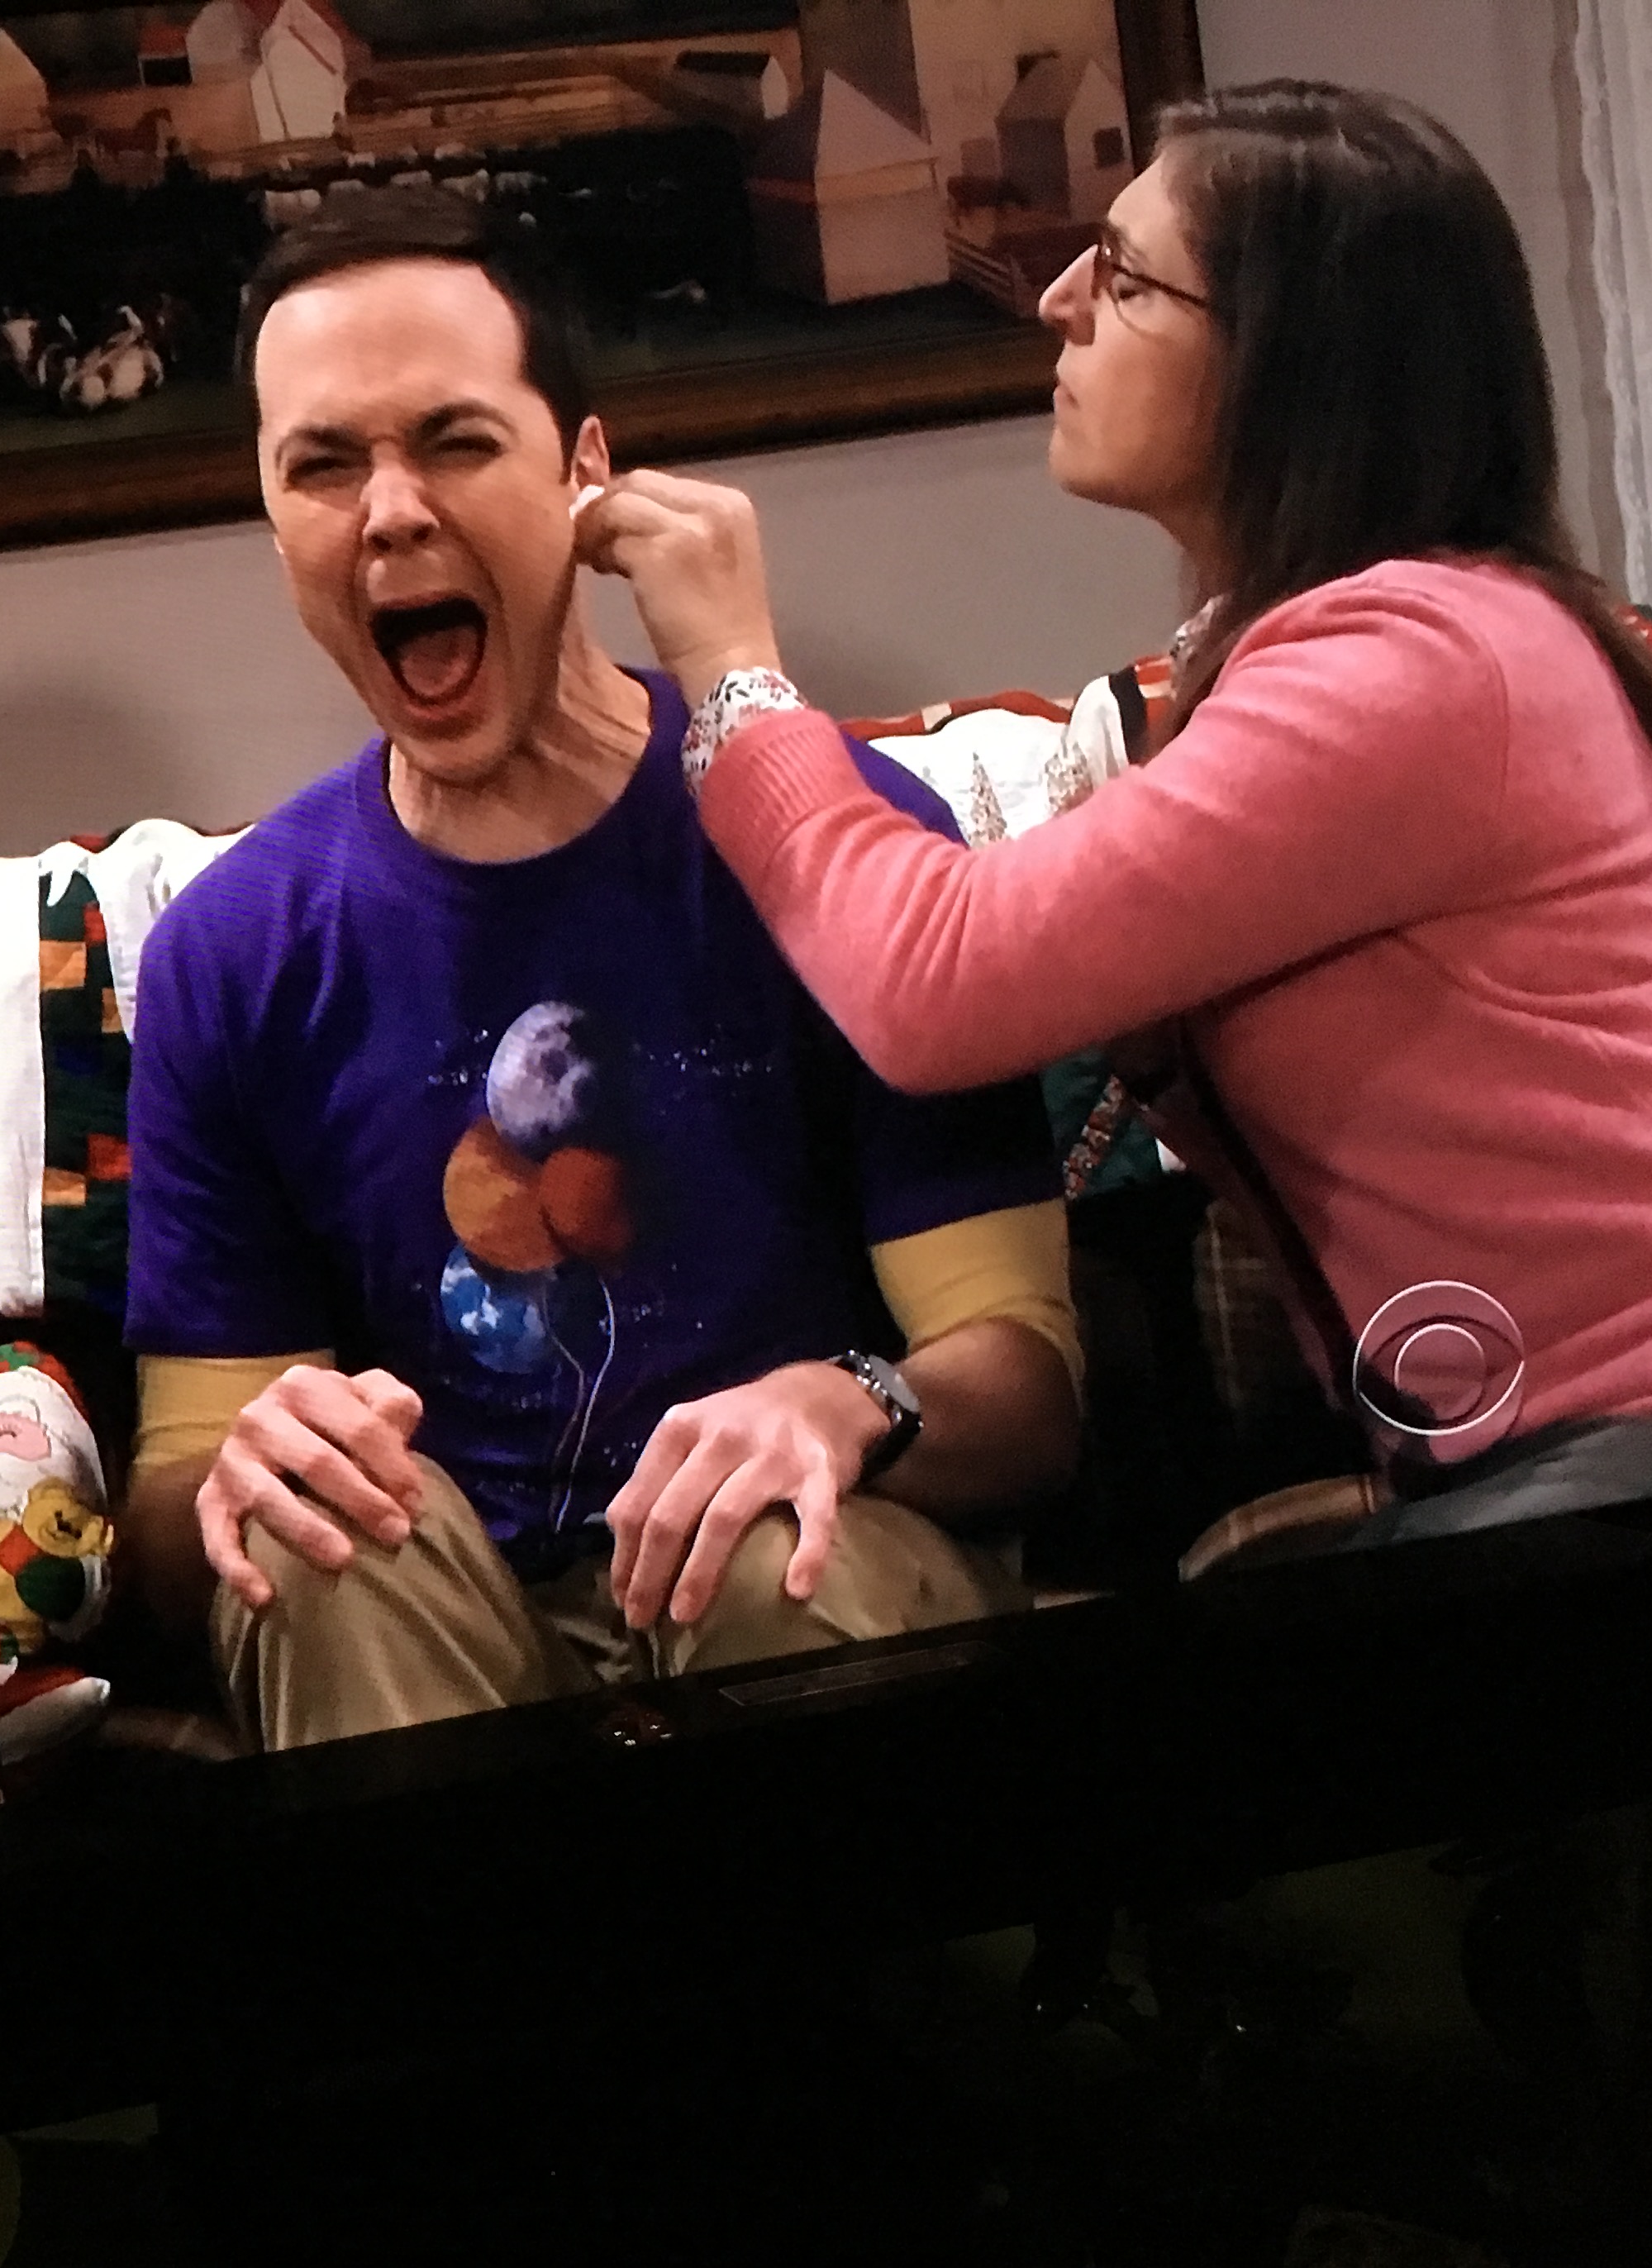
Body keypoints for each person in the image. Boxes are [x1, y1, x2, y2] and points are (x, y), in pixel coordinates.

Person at [581, 82, 1652, 1545]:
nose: (1057, 300)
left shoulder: (1420, 662)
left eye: (1125, 275)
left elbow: (931, 982)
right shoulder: (1353, 649)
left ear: (1295, 359)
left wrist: (732, 668)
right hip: (1582, 1440)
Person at [120, 192, 1084, 1752]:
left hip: (803, 1572)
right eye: (323, 466)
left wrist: (852, 1401)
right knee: (320, 1549)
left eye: (455, 442)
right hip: (439, 1633)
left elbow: (1029, 1396)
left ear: (584, 475)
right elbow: (179, 1523)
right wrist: (242, 1472)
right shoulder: (231, 955)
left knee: (768, 1555)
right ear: (275, 519)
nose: (390, 514)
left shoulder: (832, 838)